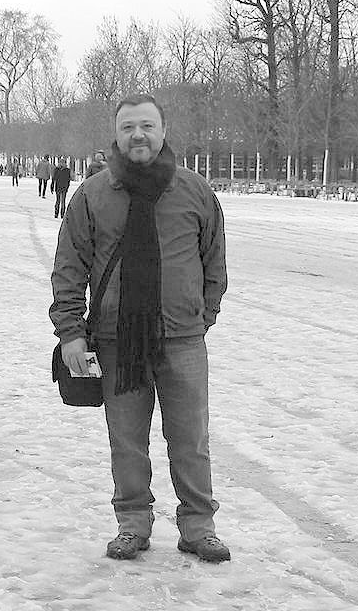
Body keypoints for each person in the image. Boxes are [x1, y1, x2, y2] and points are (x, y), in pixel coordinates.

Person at [51, 93, 230, 564]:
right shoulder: (91, 196)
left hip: (182, 340)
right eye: (129, 126)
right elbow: (69, 269)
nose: (138, 135)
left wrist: (198, 318)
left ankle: (198, 526)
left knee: (190, 438)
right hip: (116, 341)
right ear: (115, 133)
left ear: (164, 131)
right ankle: (132, 524)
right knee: (126, 439)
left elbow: (214, 264)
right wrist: (71, 332)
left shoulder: (195, 192)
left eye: (147, 126)